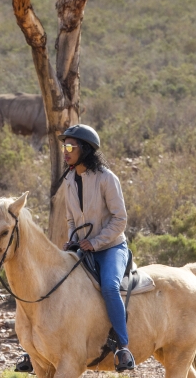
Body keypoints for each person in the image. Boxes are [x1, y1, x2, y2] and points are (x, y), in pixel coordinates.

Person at [58, 124, 135, 372]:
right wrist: (72, 239)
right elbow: (71, 220)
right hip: (82, 246)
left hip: (111, 247)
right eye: (64, 146)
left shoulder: (107, 178)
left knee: (110, 287)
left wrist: (95, 242)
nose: (65, 151)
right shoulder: (69, 180)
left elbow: (120, 219)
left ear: (86, 149)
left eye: (70, 146)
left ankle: (123, 348)